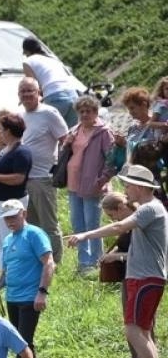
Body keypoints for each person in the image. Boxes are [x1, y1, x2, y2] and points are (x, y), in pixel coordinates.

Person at [67, 165, 167, 358]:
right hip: (144, 276)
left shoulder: (150, 208)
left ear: (141, 187)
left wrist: (85, 235)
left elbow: (120, 225)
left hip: (145, 277)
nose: (126, 189)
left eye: (129, 185)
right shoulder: (150, 208)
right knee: (141, 330)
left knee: (133, 329)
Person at [0, 200, 54, 358]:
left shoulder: (34, 234)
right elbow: (5, 271)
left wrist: (42, 292)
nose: (10, 222)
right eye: (7, 218)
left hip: (30, 298)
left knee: (24, 340)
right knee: (16, 339)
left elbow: (49, 263)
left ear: (23, 214)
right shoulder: (8, 240)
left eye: (13, 217)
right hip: (12, 298)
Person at [64, 96, 115, 275]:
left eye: (89, 111)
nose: (85, 114)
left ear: (96, 112)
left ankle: (95, 262)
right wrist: (66, 143)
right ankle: (83, 262)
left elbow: (112, 159)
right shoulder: (75, 130)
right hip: (73, 183)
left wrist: (102, 180)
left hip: (93, 186)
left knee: (92, 225)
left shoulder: (103, 132)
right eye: (82, 111)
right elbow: (65, 152)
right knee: (78, 224)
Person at [0, 111, 34, 256]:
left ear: (9, 131)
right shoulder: (5, 150)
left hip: (9, 202)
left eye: (2, 130)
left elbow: (19, 178)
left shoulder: (22, 152)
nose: (0, 133)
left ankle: (14, 271)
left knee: (10, 238)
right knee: (0, 241)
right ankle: (3, 272)